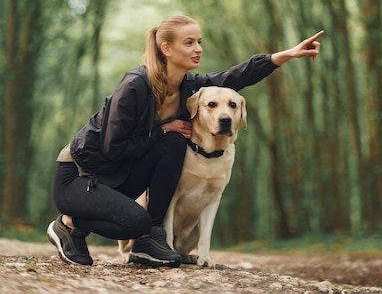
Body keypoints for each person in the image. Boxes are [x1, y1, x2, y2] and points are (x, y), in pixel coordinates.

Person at [47, 15, 323, 268]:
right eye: (189, 43)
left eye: (199, 42)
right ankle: (68, 224)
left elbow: (236, 76)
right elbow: (112, 148)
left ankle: (150, 239)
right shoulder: (135, 85)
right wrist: (163, 129)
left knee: (176, 143)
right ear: (166, 49)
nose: (198, 49)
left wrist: (285, 55)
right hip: (82, 176)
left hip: (118, 176)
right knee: (135, 219)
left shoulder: (188, 88)